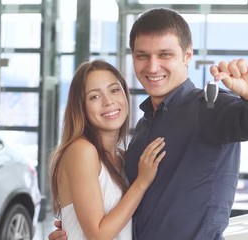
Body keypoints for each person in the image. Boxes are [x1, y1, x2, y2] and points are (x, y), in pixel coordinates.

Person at [49, 7, 248, 240]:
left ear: (187, 55)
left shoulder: (209, 108)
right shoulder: (141, 131)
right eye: (143, 56)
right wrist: (75, 227)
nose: (152, 67)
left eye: (165, 55)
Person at [48, 59, 166, 240]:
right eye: (94, 96)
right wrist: (142, 182)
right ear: (81, 106)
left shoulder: (121, 157)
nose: (108, 101)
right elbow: (98, 235)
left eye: (114, 90)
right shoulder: (82, 151)